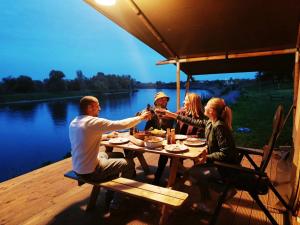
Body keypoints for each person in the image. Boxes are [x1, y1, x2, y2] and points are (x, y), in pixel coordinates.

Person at [69, 96, 150, 215]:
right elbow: (121, 124)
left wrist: (107, 136)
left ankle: (111, 187)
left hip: (78, 168)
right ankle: (116, 200)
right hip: (91, 172)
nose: (100, 108)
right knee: (129, 163)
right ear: (90, 107)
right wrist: (141, 117)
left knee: (114, 154)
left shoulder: (75, 122)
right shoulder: (92, 122)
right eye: (98, 106)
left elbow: (85, 137)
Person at [156, 97, 239, 212]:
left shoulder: (219, 126)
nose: (204, 107)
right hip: (218, 163)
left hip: (225, 167)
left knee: (194, 173)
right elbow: (195, 122)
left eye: (207, 106)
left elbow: (226, 153)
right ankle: (216, 194)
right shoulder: (212, 121)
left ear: (212, 111)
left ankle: (216, 194)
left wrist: (206, 157)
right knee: (195, 171)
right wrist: (172, 115)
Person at [144, 92, 174, 185]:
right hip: (152, 139)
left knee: (165, 154)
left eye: (165, 99)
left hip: (165, 140)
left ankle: (158, 177)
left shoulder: (169, 114)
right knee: (130, 148)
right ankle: (131, 172)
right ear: (156, 102)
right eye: (161, 99)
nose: (164, 101)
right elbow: (146, 129)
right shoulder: (152, 113)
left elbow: (171, 129)